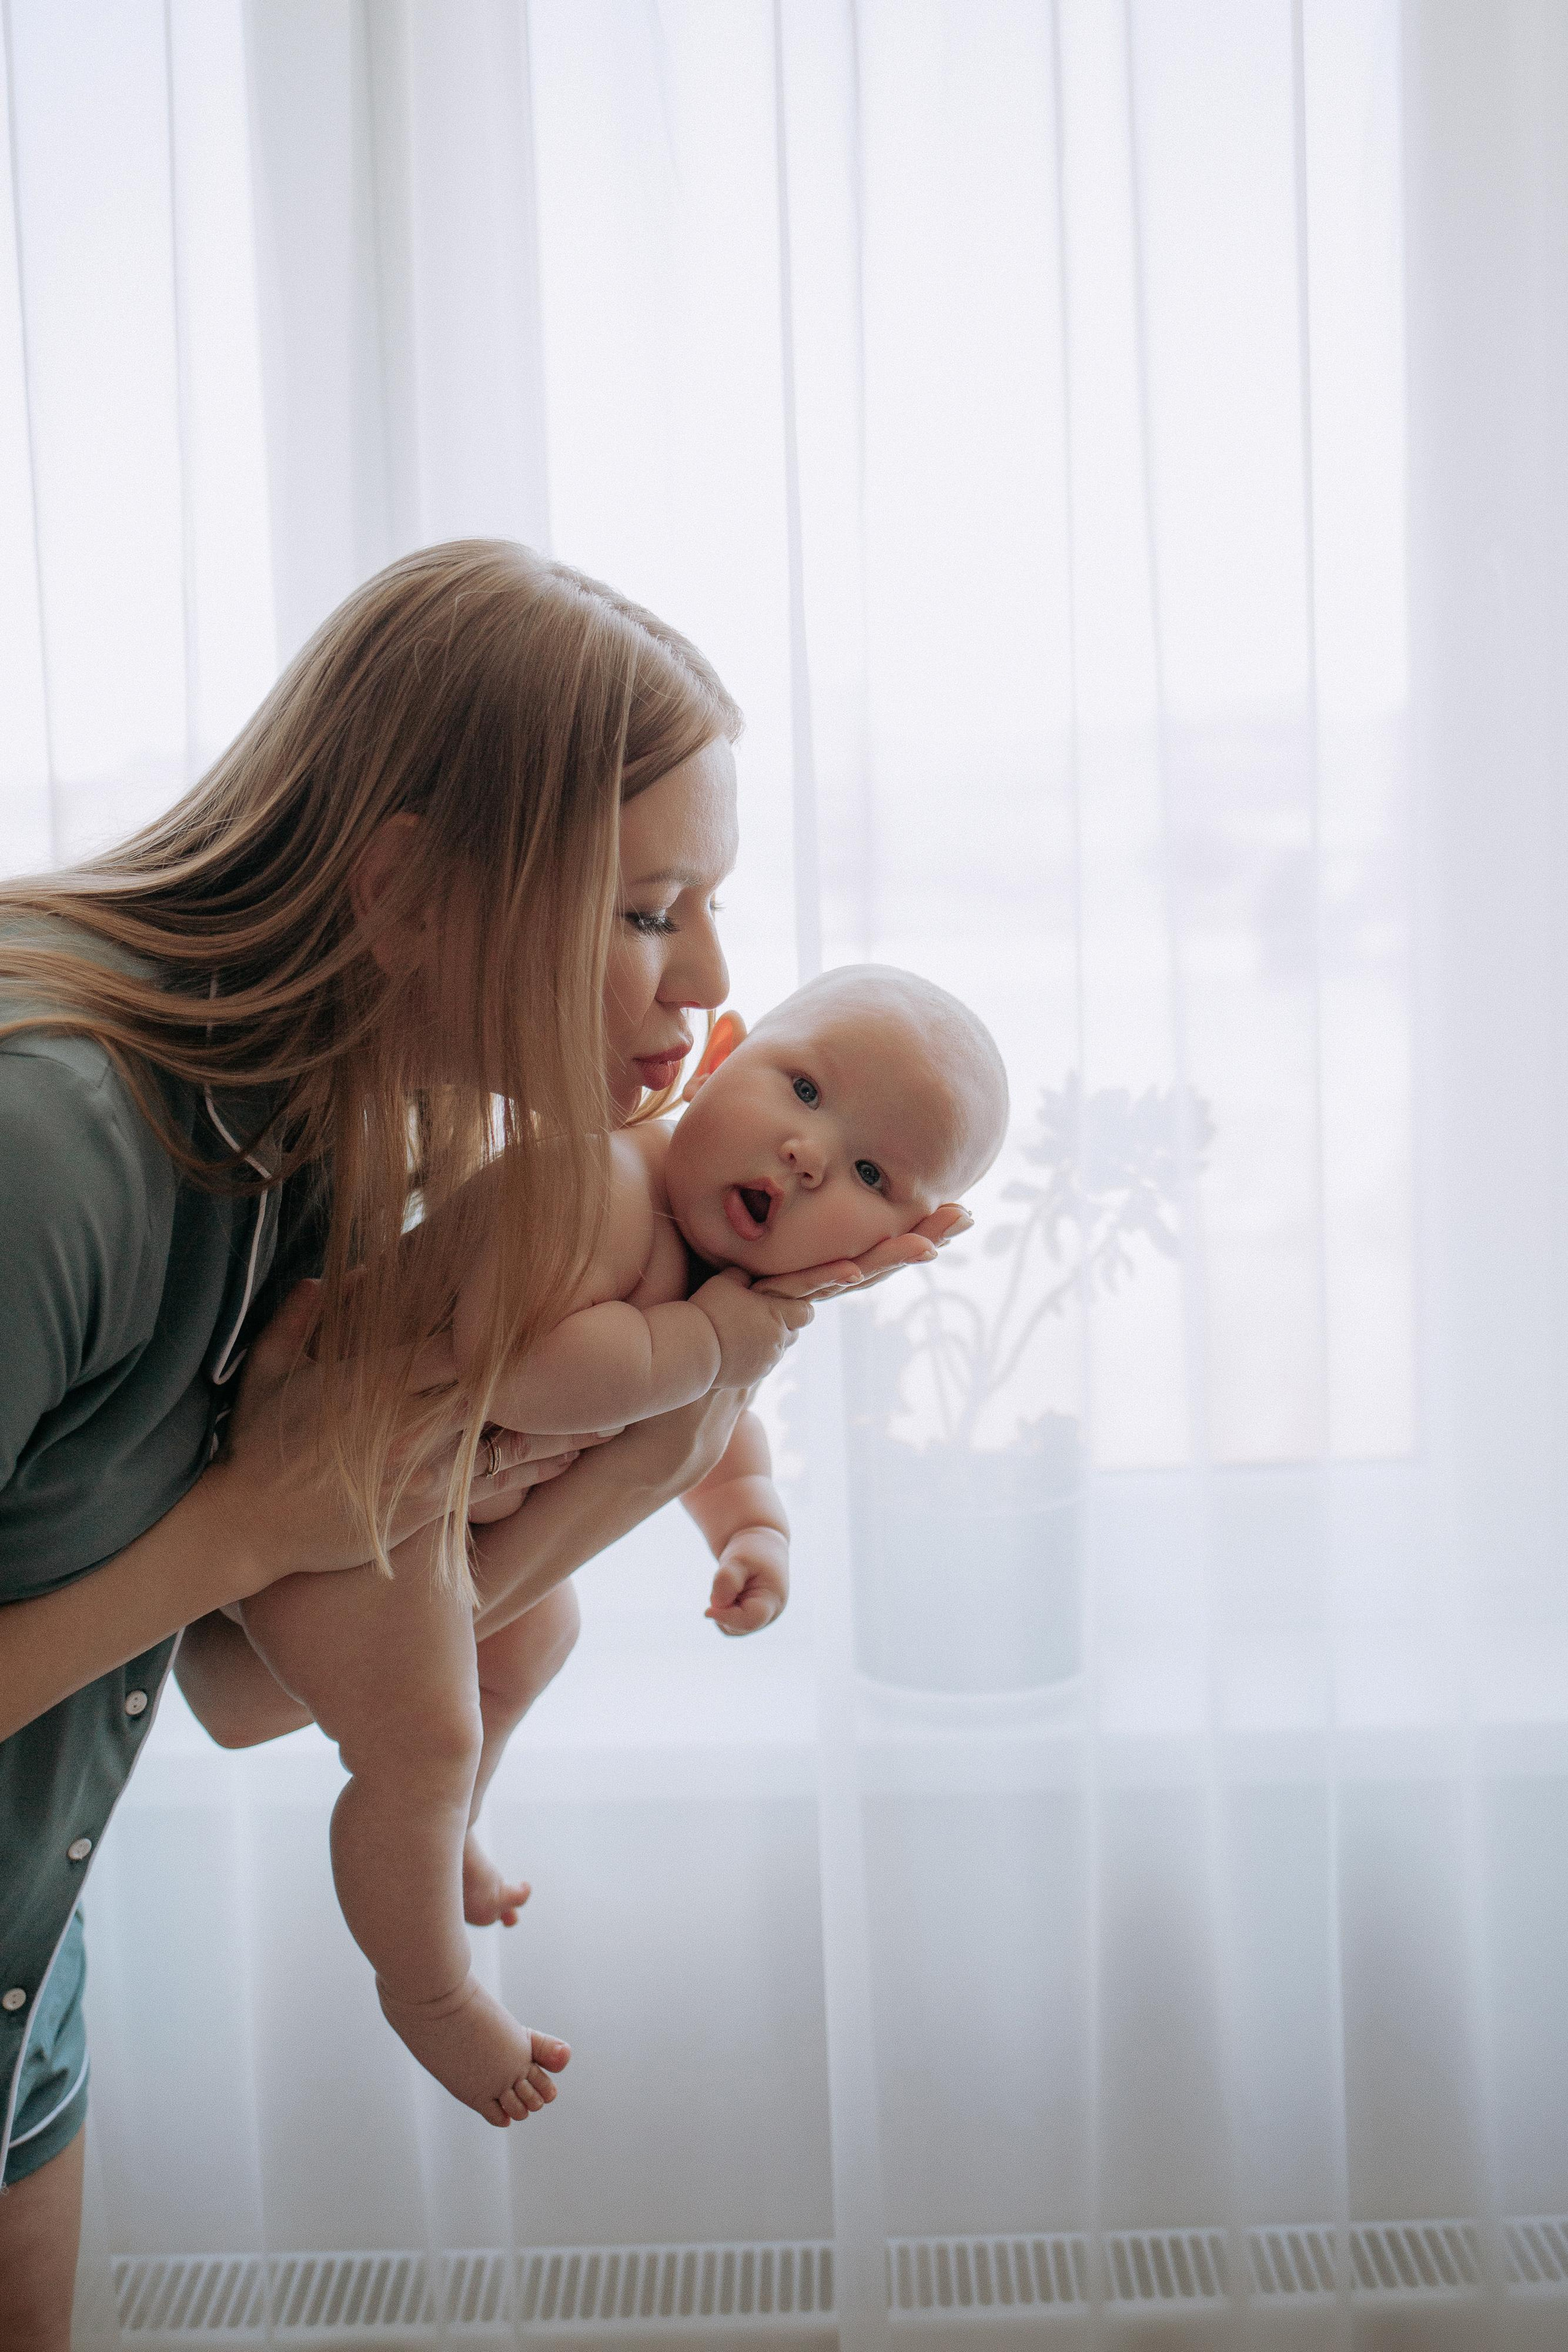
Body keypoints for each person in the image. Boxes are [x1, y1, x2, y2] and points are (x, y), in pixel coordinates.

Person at [0, 540, 968, 2351]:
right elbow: (231, 1582)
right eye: (650, 907)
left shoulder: (324, 1152)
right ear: (408, 890)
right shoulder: (48, 1148)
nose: (717, 985)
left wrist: (701, 1409)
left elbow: (245, 1684)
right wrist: (240, 1528)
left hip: (19, 1979)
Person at [219, 967, 1009, 2127]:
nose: (807, 1156)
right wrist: (714, 1340)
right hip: (319, 1495)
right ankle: (429, 1992)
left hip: (421, 1520)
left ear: (889, 1244)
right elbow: (533, 1369)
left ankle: (443, 1843)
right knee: (425, 1739)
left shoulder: (716, 1283)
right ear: (721, 1051)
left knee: (541, 1634)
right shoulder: (597, 1184)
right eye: (803, 1089)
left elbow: (718, 1419)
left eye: (873, 1175)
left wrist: (753, 1526)